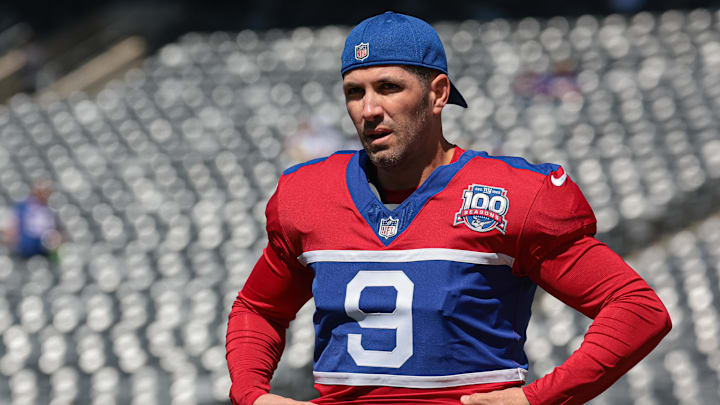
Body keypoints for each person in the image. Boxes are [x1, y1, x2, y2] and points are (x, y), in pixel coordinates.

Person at [226, 11, 671, 405]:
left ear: (438, 93)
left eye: (388, 87)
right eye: (354, 92)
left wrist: (540, 398)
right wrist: (253, 395)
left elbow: (636, 309)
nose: (369, 109)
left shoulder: (512, 194)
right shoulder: (308, 193)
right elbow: (259, 308)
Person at [2, 179, 64, 260]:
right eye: (41, 191)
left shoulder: (52, 210)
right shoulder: (23, 207)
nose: (43, 193)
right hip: (24, 250)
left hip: (41, 251)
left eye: (46, 191)